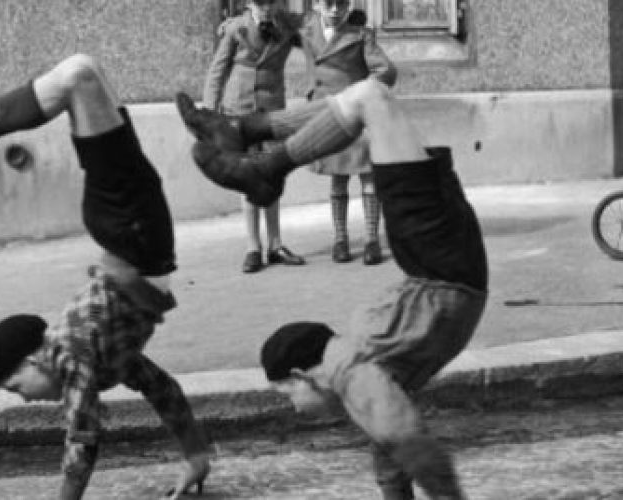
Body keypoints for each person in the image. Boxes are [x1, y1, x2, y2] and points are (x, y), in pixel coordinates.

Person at [0, 54, 212, 500]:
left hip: (132, 230)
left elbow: (81, 444)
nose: (29, 400)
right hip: (135, 231)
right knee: (83, 76)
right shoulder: (103, 354)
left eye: (18, 387)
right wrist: (196, 457)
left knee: (79, 76)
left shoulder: (73, 354)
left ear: (35, 360)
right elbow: (162, 389)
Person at [176, 77, 487, 500]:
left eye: (287, 395)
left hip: (442, 261)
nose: (292, 407)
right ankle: (247, 135)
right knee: (370, 99)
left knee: (372, 99)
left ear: (304, 375)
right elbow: (390, 449)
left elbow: (408, 437)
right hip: (439, 260)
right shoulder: (356, 369)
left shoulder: (348, 373)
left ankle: (263, 165)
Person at [204, 0, 306, 273]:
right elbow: (217, 70)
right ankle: (253, 247)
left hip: (271, 113)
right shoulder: (236, 29)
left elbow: (318, 38)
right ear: (249, 4)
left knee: (272, 175)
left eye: (271, 2)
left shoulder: (287, 26)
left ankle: (275, 245)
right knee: (247, 178)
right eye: (260, 3)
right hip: (240, 111)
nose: (266, 8)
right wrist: (210, 113)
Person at [300, 0, 396, 265]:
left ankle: (370, 240)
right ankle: (340, 240)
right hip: (328, 113)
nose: (335, 10)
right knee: (338, 176)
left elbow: (385, 69)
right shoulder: (307, 30)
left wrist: (365, 93)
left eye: (341, 4)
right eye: (329, 4)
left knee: (368, 175)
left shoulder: (359, 35)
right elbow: (275, 19)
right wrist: (236, 23)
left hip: (356, 114)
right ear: (317, 4)